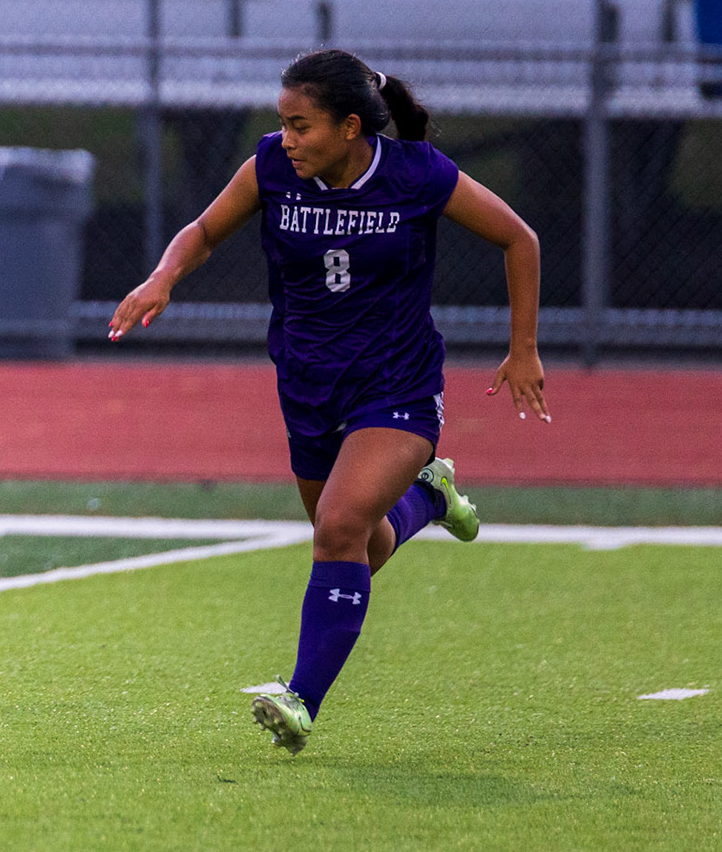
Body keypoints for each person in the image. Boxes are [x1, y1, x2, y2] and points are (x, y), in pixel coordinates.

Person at [108, 48, 548, 754]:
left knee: (338, 529)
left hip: (397, 386)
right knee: (356, 542)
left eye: (301, 125)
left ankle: (300, 700)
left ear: (349, 127)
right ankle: (428, 498)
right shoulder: (271, 166)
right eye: (283, 123)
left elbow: (517, 238)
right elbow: (204, 231)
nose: (286, 138)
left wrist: (522, 347)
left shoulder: (415, 172)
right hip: (308, 385)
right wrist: (164, 275)